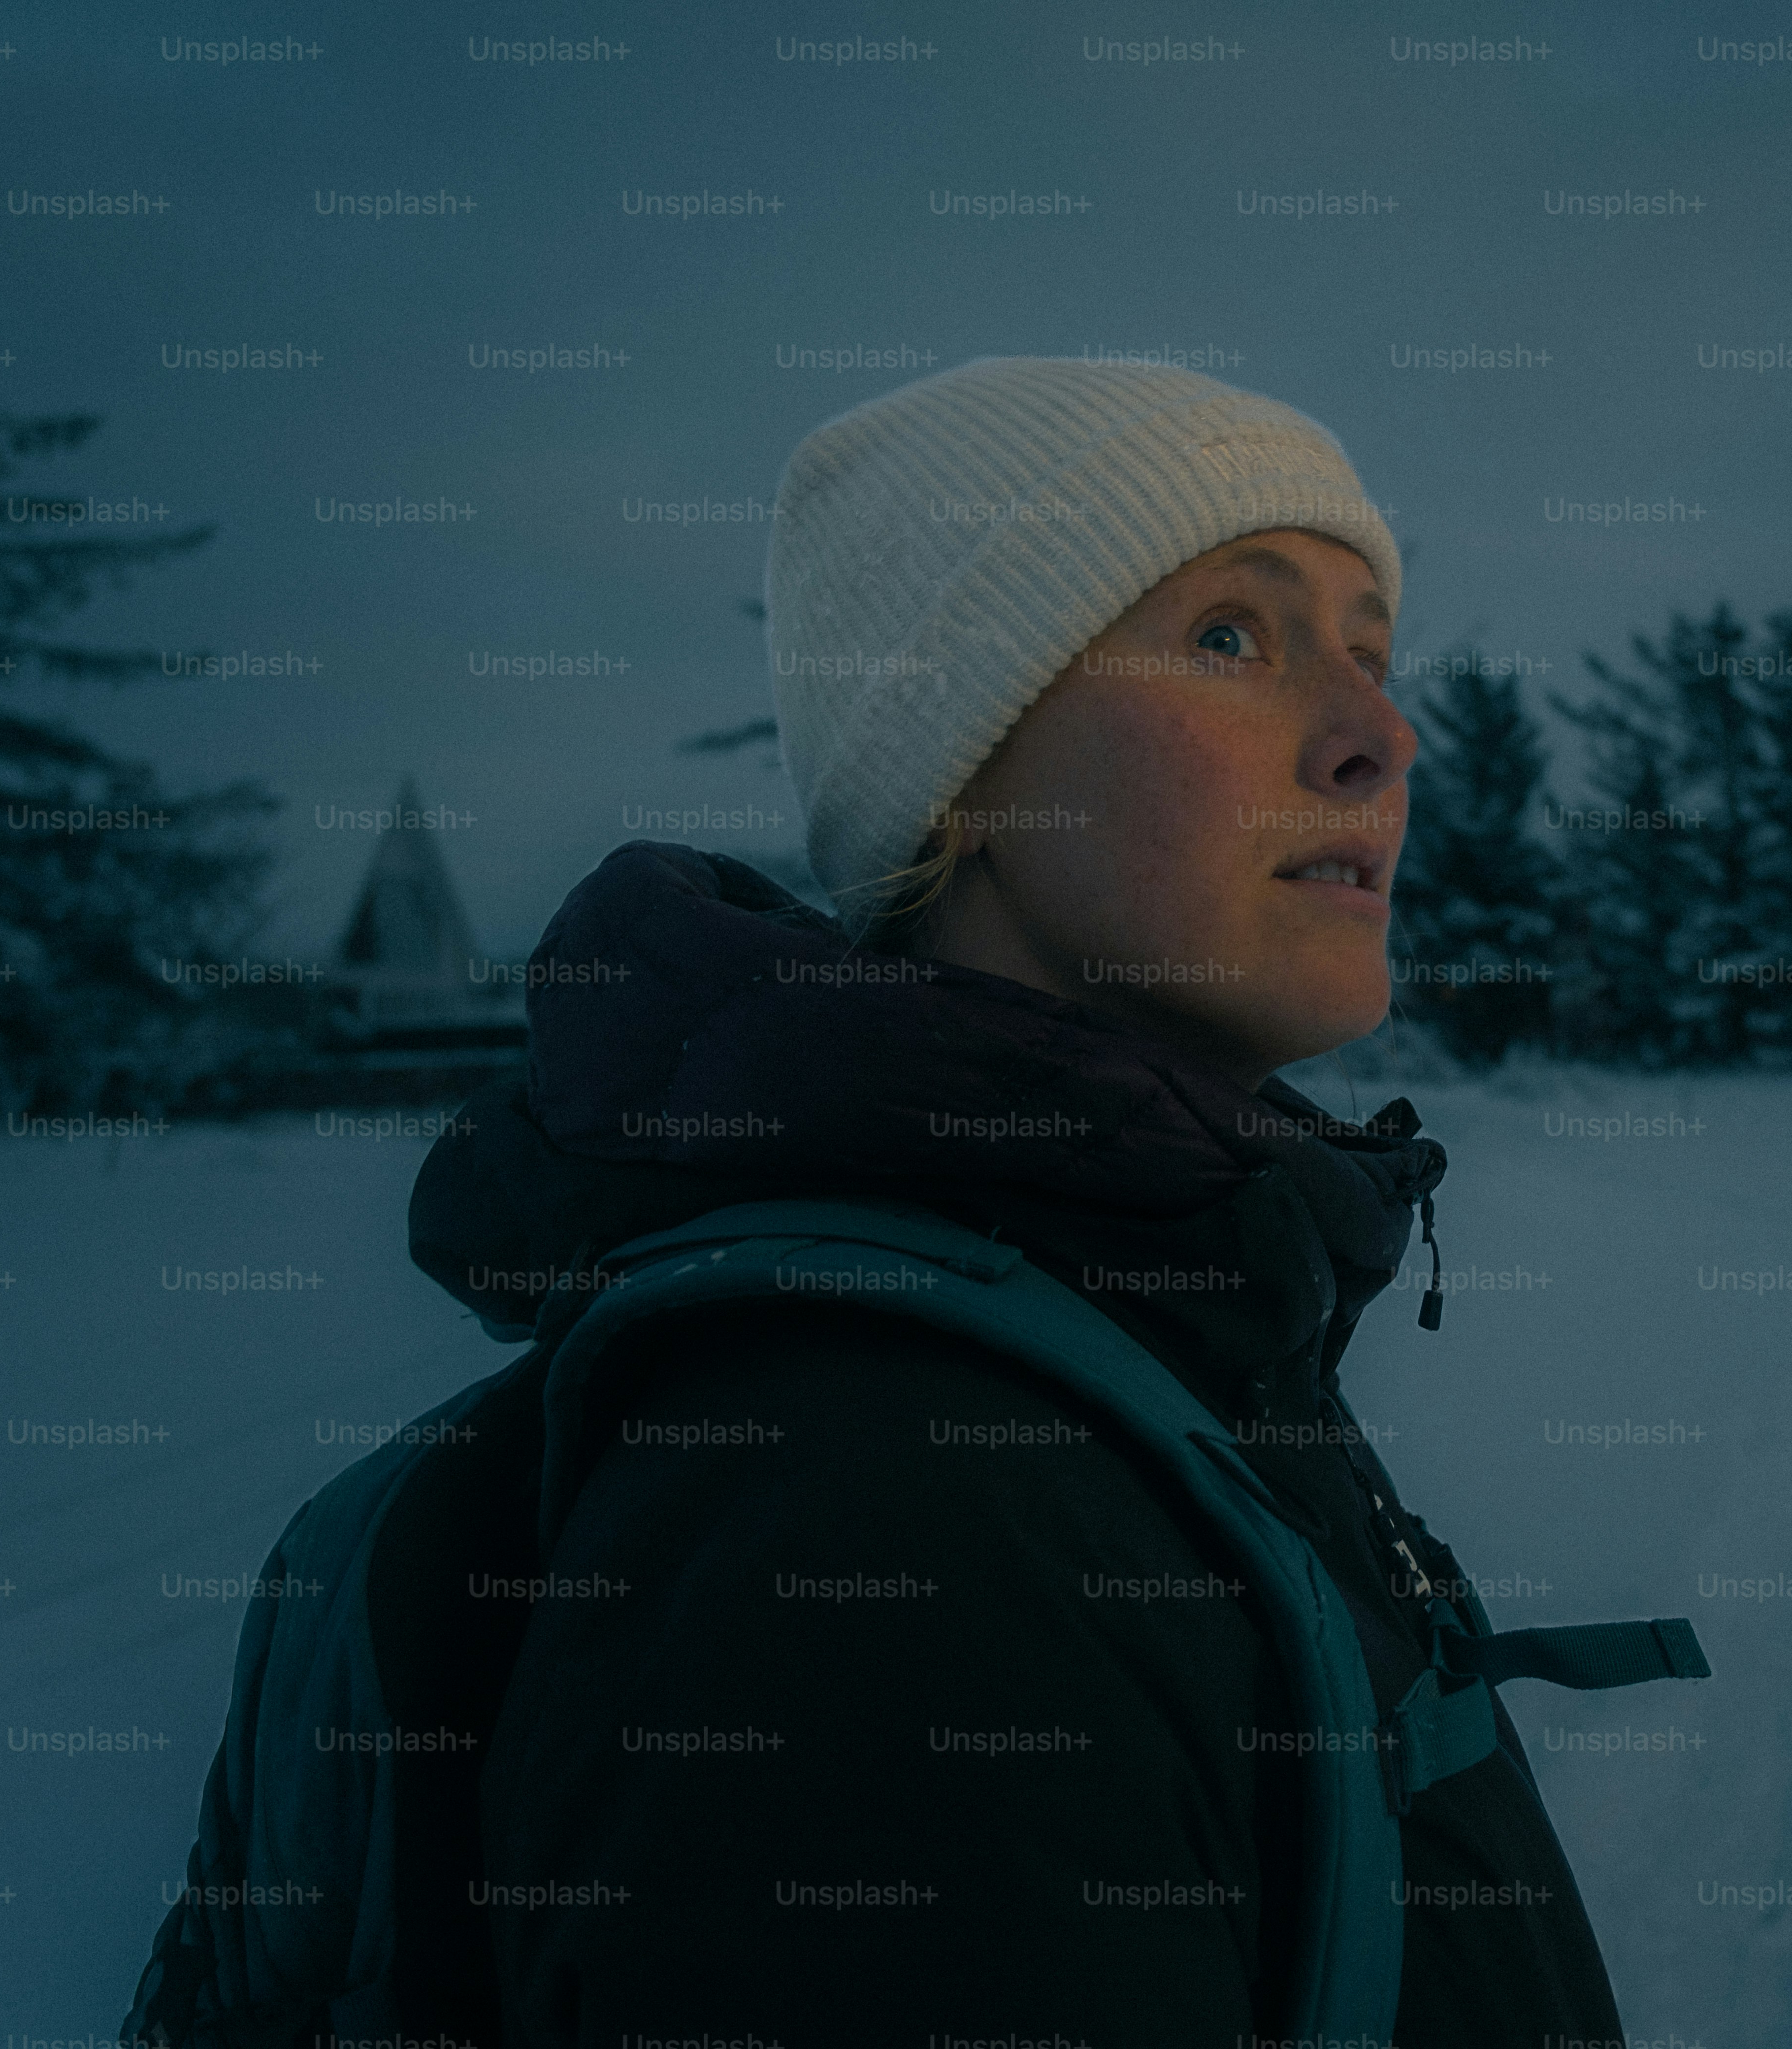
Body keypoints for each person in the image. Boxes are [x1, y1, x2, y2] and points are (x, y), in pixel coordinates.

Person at [124, 357, 1658, 2047]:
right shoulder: (878, 1522)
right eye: (1234, 634)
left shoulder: (1138, 1300)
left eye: (1373, 651)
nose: (1385, 734)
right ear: (965, 767)